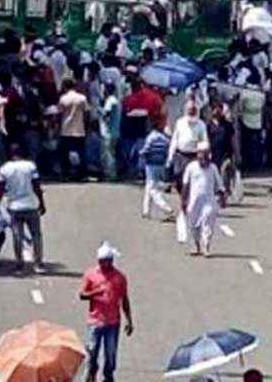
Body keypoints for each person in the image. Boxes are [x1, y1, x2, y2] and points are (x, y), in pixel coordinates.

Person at [78, 241, 134, 382]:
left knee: (110, 354)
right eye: (102, 261)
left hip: (113, 322)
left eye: (107, 261)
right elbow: (82, 294)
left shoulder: (119, 277)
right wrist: (96, 292)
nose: (104, 264)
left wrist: (129, 321)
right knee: (92, 351)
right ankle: (91, 373)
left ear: (111, 261)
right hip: (95, 321)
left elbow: (124, 299)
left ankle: (108, 376)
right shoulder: (91, 275)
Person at [0, 143, 45, 273]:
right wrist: (42, 202)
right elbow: (36, 185)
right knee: (36, 235)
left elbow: (0, 189)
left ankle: (20, 264)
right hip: (30, 204)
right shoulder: (30, 166)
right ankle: (38, 263)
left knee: (17, 236)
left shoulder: (4, 169)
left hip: (14, 206)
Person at [181, 144, 225, 257]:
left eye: (206, 157)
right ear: (197, 155)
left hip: (209, 201)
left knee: (208, 224)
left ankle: (206, 246)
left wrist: (222, 198)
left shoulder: (213, 168)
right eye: (201, 157)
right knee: (193, 225)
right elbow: (185, 185)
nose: (204, 160)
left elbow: (219, 185)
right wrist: (183, 202)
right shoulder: (191, 167)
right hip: (194, 202)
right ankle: (196, 245)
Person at [140, 118, 173, 220]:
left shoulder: (151, 137)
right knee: (149, 187)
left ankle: (167, 209)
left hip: (151, 165)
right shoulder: (164, 139)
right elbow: (168, 150)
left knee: (153, 190)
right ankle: (146, 211)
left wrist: (141, 154)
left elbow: (146, 150)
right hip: (161, 165)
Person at [58, 78, 90, 180]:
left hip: (66, 129)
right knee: (81, 153)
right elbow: (87, 113)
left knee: (65, 153)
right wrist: (87, 126)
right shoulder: (82, 98)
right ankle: (82, 174)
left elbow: (59, 113)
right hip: (79, 129)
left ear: (64, 87)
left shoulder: (63, 98)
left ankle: (66, 174)